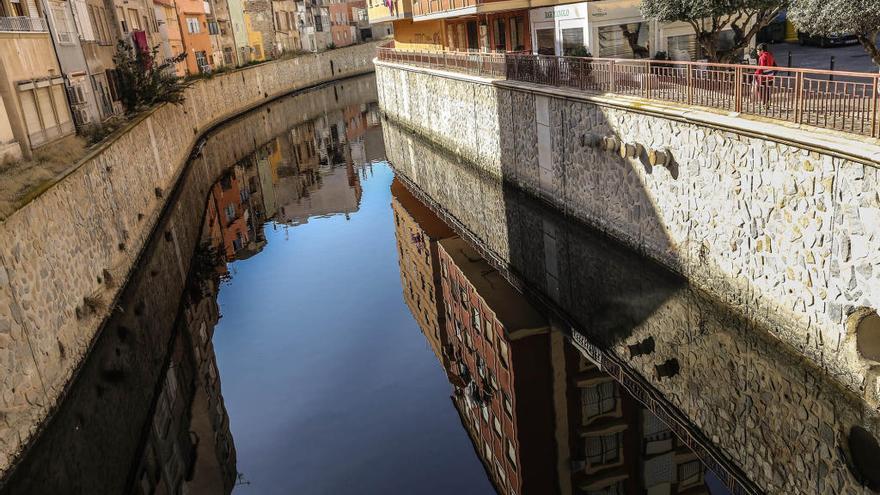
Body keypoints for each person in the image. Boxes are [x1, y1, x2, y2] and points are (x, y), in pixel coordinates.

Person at [754, 43, 777, 109]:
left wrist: (755, 75)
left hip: (763, 78)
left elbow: (760, 68)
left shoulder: (762, 57)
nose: (757, 52)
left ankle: (764, 103)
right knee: (767, 90)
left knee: (760, 89)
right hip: (770, 77)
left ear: (762, 50)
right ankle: (767, 102)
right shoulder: (771, 55)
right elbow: (775, 66)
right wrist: (773, 74)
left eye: (758, 51)